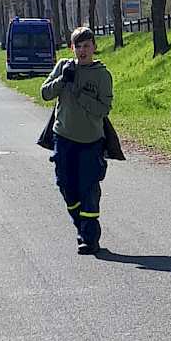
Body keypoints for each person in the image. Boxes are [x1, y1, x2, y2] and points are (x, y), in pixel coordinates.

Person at [40, 25, 114, 256]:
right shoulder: (63, 66)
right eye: (78, 46)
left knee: (89, 190)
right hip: (63, 139)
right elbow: (44, 93)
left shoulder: (102, 75)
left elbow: (104, 109)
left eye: (86, 46)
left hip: (91, 142)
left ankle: (89, 238)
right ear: (72, 48)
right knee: (67, 187)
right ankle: (81, 226)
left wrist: (79, 93)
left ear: (94, 47)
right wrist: (63, 81)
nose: (82, 51)